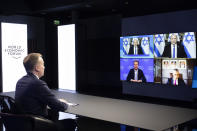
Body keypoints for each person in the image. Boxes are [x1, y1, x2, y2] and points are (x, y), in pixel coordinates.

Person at [15, 53, 76, 131]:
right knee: (70, 123)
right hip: (37, 124)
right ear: (37, 68)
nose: (44, 67)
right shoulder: (38, 83)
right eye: (43, 64)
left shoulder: (20, 81)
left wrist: (55, 101)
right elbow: (59, 106)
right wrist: (65, 104)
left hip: (24, 123)